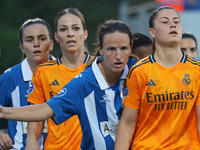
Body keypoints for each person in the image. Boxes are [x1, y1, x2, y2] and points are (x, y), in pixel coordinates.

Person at [0, 19, 138, 150]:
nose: (119, 55)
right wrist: (4, 112)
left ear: (131, 48)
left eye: (124, 48)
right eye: (111, 49)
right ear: (100, 49)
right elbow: (44, 110)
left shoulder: (139, 72)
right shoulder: (84, 82)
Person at [115, 6, 200, 150]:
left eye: (176, 21)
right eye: (165, 22)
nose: (173, 25)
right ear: (152, 32)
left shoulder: (196, 70)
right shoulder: (139, 71)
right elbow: (128, 123)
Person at [25, 7, 90, 150]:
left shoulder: (99, 68)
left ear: (84, 34)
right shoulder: (43, 72)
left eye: (75, 28)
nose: (70, 34)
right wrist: (30, 139)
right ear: (56, 36)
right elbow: (37, 113)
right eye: (63, 29)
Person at [0, 18, 54, 150]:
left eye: (42, 38)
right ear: (22, 47)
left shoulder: (66, 73)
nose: (36, 44)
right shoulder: (9, 77)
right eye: (30, 40)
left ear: (51, 44)